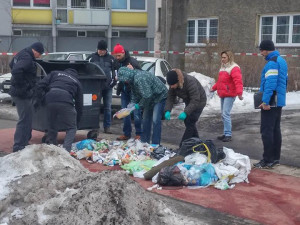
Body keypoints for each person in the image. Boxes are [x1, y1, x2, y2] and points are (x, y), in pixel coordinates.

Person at [253, 40, 288, 169]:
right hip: (279, 100)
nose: (261, 53)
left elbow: (270, 84)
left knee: (266, 131)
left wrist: (266, 101)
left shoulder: (271, 63)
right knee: (275, 130)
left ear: (266, 50)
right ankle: (275, 158)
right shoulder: (281, 60)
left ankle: (267, 159)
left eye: (261, 50)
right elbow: (284, 81)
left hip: (271, 102)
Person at [34, 68, 83, 152]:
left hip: (49, 99)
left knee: (52, 125)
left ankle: (51, 148)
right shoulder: (76, 81)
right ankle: (65, 150)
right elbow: (79, 103)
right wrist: (77, 120)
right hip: (65, 99)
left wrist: (39, 100)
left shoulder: (55, 73)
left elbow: (40, 85)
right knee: (71, 128)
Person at [117, 67, 168, 145]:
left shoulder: (139, 78)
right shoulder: (131, 80)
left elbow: (147, 96)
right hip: (150, 97)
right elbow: (135, 93)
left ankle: (155, 144)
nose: (125, 81)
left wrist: (138, 105)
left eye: (125, 79)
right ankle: (145, 142)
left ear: (127, 76)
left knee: (155, 120)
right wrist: (131, 104)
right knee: (146, 119)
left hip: (159, 96)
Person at [9, 42, 44, 152]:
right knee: (24, 119)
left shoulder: (22, 54)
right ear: (35, 51)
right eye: (40, 54)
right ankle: (19, 146)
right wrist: (23, 86)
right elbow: (16, 70)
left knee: (27, 118)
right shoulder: (27, 58)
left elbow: (11, 64)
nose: (40, 56)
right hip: (22, 93)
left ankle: (24, 142)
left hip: (20, 92)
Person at [164, 69, 207, 146]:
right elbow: (170, 98)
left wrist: (185, 112)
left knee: (190, 121)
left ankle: (183, 145)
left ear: (178, 81)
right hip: (189, 101)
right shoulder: (173, 84)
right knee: (188, 122)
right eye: (170, 85)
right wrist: (167, 110)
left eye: (173, 85)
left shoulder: (190, 82)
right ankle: (197, 142)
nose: (171, 87)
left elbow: (195, 100)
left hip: (199, 101)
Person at [210, 50, 243, 142]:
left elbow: (238, 81)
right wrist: (213, 88)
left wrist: (239, 93)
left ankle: (228, 134)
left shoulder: (234, 68)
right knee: (223, 114)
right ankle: (225, 133)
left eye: (224, 57)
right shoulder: (223, 68)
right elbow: (221, 82)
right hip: (223, 94)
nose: (222, 59)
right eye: (222, 57)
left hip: (230, 94)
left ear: (229, 57)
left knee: (225, 114)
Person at [113, 43, 142, 140]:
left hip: (134, 91)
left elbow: (141, 73)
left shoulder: (132, 61)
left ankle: (139, 134)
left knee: (136, 113)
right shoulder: (117, 62)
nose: (117, 57)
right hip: (124, 91)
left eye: (119, 55)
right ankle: (126, 133)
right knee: (124, 112)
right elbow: (116, 73)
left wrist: (134, 70)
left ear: (123, 53)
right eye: (116, 55)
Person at [87, 40, 116, 135]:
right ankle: (95, 127)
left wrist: (112, 83)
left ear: (106, 50)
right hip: (95, 88)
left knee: (108, 107)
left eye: (103, 50)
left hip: (108, 87)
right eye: (100, 50)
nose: (101, 52)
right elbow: (87, 71)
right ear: (97, 49)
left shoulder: (111, 59)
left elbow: (115, 72)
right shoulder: (91, 58)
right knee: (95, 106)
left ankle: (107, 127)